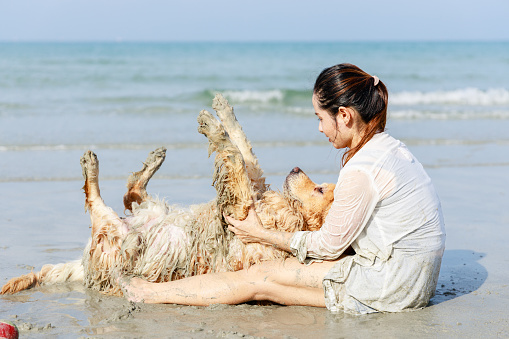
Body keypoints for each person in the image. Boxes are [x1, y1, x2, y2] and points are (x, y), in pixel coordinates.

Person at [120, 63, 446, 314]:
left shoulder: (361, 169)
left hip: (393, 286)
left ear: (344, 115)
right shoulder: (389, 147)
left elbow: (328, 247)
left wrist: (260, 234)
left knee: (259, 278)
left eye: (321, 117)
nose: (319, 128)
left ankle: (150, 293)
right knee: (274, 281)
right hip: (417, 278)